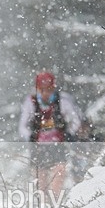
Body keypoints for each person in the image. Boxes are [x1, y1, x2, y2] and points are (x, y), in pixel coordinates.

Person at [18, 71, 82, 200]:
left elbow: (76, 120)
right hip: (39, 148)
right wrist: (30, 136)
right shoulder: (31, 103)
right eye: (43, 90)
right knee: (41, 183)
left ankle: (55, 204)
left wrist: (69, 132)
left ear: (54, 88)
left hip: (57, 145)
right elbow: (22, 127)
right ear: (37, 89)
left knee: (57, 179)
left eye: (49, 89)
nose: (46, 93)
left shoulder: (63, 101)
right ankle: (43, 207)